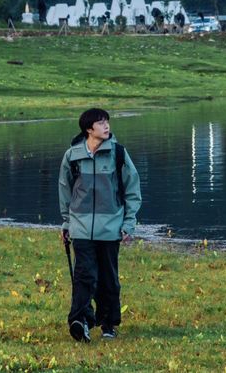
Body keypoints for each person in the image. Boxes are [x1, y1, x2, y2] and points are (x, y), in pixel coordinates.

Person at [58, 107, 141, 343]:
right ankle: (80, 321)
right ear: (88, 129)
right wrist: (67, 223)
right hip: (81, 228)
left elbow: (133, 190)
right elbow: (65, 191)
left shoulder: (118, 154)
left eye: (107, 122)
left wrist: (128, 223)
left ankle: (109, 323)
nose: (106, 126)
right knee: (84, 275)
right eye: (101, 123)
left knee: (108, 278)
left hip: (111, 227)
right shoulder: (72, 156)